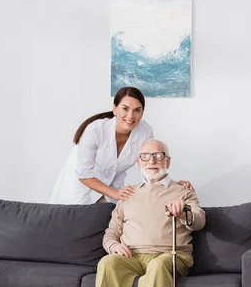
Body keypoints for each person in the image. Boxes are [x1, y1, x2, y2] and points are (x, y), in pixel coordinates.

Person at [87, 139, 206, 287]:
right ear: (138, 161)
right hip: (133, 257)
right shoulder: (128, 194)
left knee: (158, 266)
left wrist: (184, 211)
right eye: (146, 156)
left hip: (171, 256)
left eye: (158, 155)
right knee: (108, 263)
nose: (152, 161)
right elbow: (110, 233)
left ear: (168, 161)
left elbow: (200, 220)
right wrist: (113, 246)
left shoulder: (183, 191)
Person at [49, 87, 193, 204]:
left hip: (112, 189)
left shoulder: (145, 131)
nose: (131, 116)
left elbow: (150, 164)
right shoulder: (95, 130)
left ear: (142, 113)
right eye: (125, 108)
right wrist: (115, 194)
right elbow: (84, 175)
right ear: (115, 109)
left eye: (137, 110)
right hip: (79, 188)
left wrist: (173, 185)